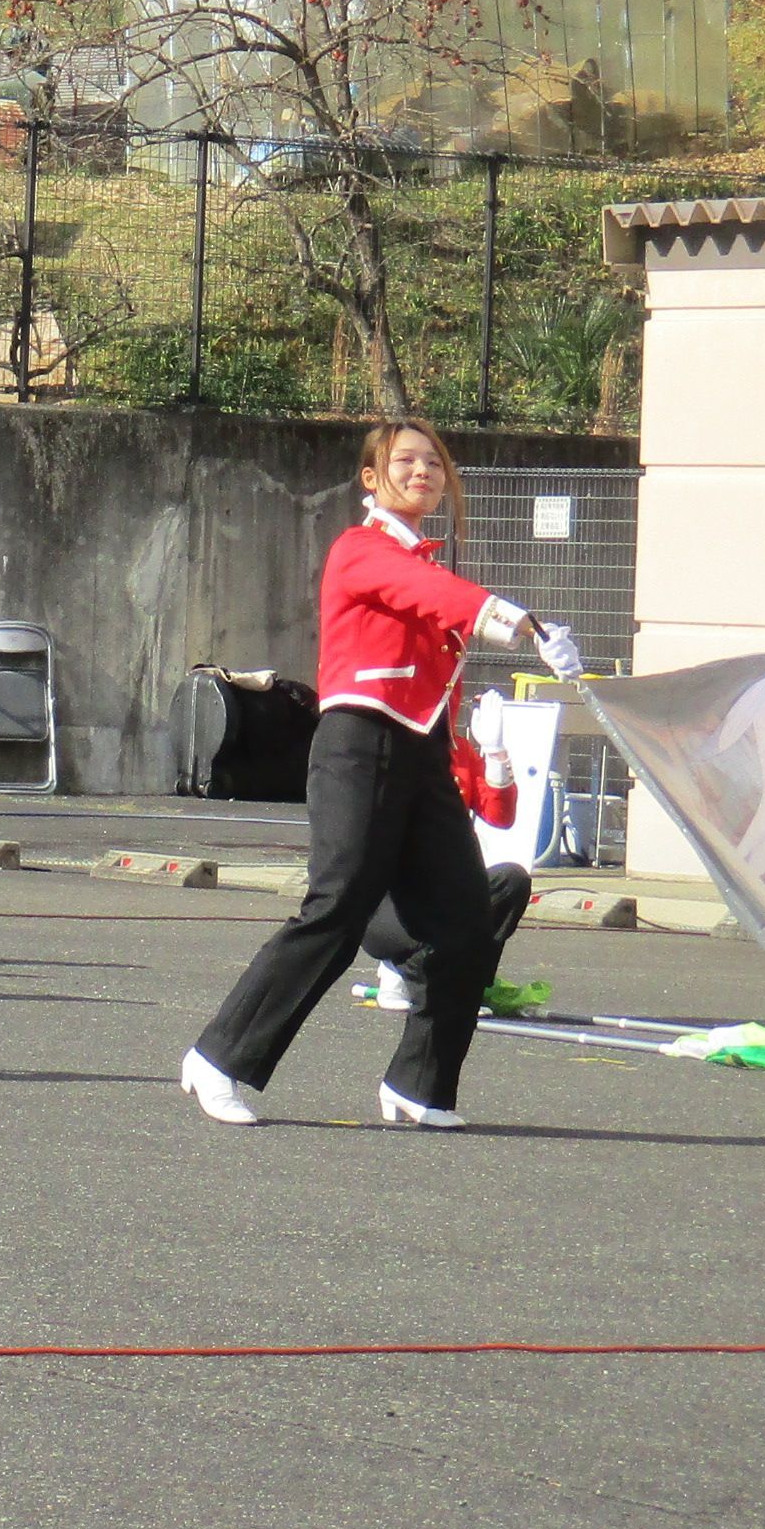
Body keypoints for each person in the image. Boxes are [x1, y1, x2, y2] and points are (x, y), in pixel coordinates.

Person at [183, 416, 581, 1131]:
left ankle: (419, 1085)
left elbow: (436, 633)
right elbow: (433, 598)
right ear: (372, 478)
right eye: (406, 461)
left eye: (434, 462)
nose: (423, 471)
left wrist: (481, 746)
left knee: (466, 922)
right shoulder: (361, 550)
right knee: (336, 909)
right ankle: (219, 1058)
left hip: (423, 754)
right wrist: (523, 625)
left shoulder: (425, 564)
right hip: (358, 744)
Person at [362, 692, 534, 1020]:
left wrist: (496, 752)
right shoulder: (389, 748)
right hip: (389, 901)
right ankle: (402, 970)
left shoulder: (460, 753)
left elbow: (501, 815)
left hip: (447, 888)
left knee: (511, 881)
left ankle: (466, 983)